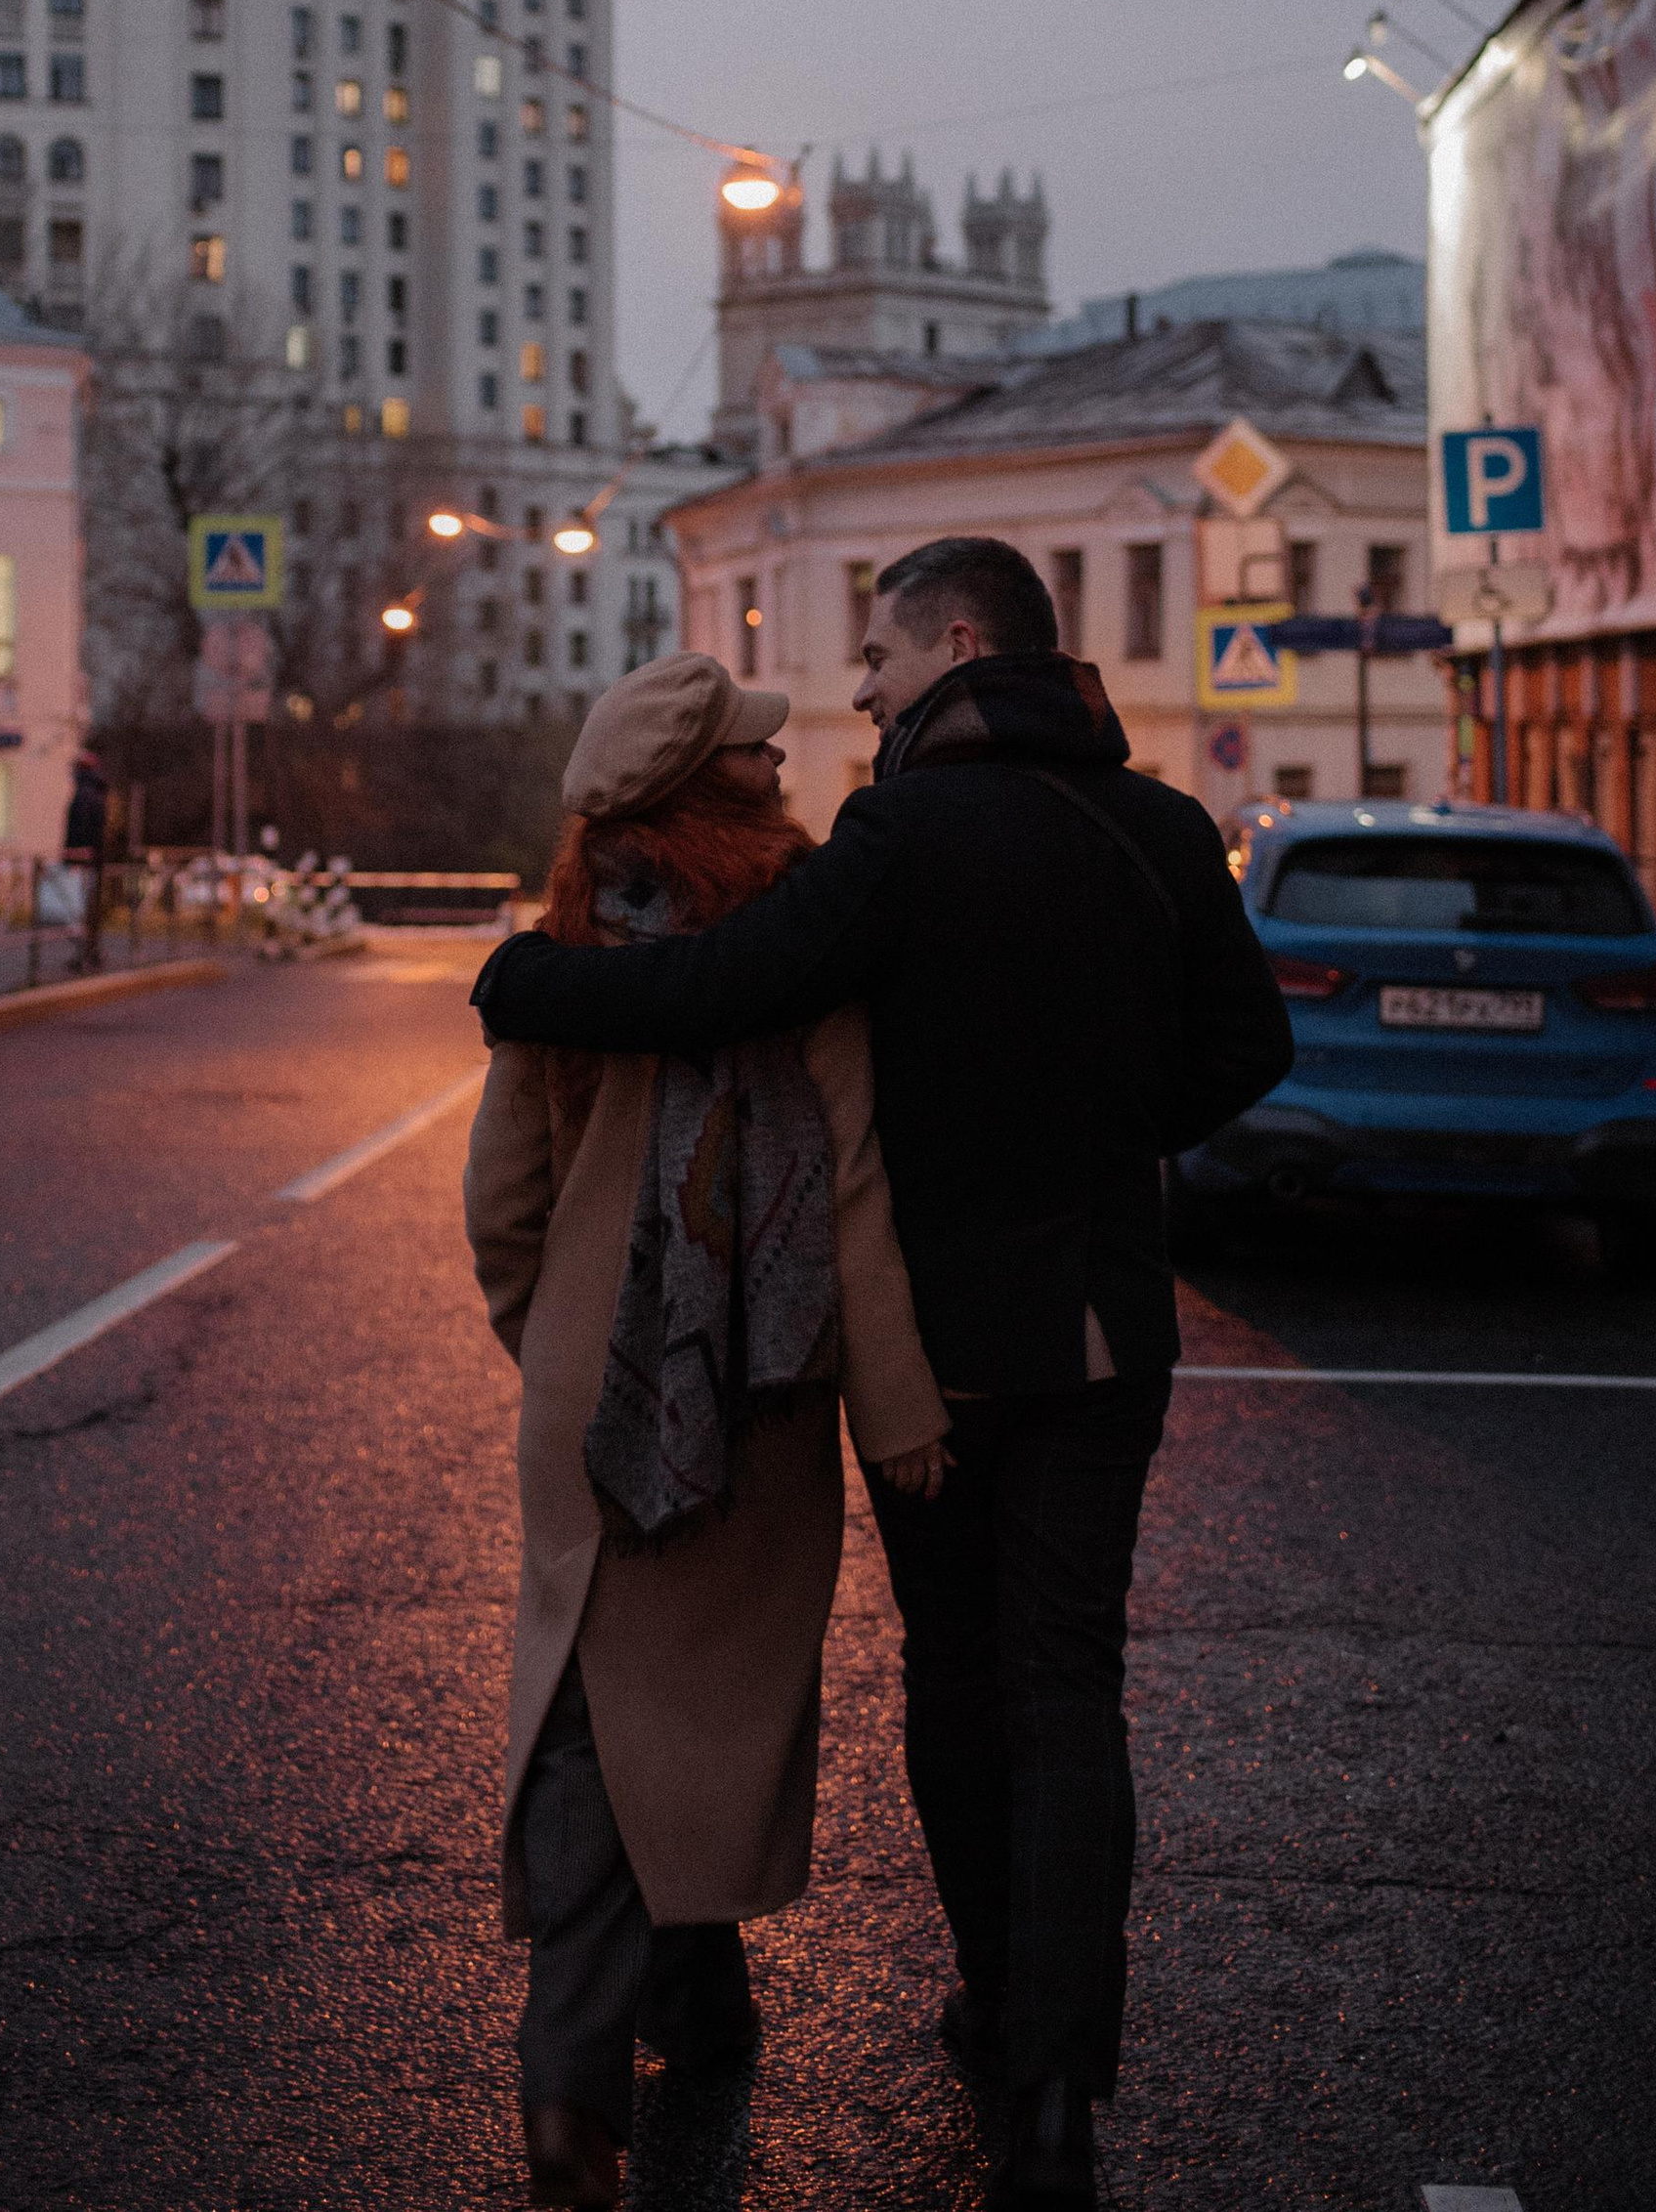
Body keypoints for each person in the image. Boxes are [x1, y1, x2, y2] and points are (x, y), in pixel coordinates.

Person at [473, 539, 1293, 2212]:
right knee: (1069, 1689)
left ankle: (991, 2001)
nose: (859, 687)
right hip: (1106, 1332)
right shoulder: (1154, 827)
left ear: (962, 643)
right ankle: (1052, 2088)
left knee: (957, 1680)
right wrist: (1111, 1144)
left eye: (881, 654)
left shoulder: (899, 835)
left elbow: (733, 981)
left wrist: (527, 978)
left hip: (946, 1345)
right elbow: (1249, 1048)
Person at [465, 653, 952, 2210]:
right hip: (751, 1394)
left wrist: (551, 1347)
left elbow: (506, 1201)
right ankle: (572, 2076)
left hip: (582, 1381)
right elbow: (857, 1183)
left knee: (604, 1698)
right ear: (732, 787)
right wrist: (899, 1415)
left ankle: (687, 2005)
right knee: (673, 1718)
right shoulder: (798, 943)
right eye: (762, 760)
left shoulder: (570, 940)